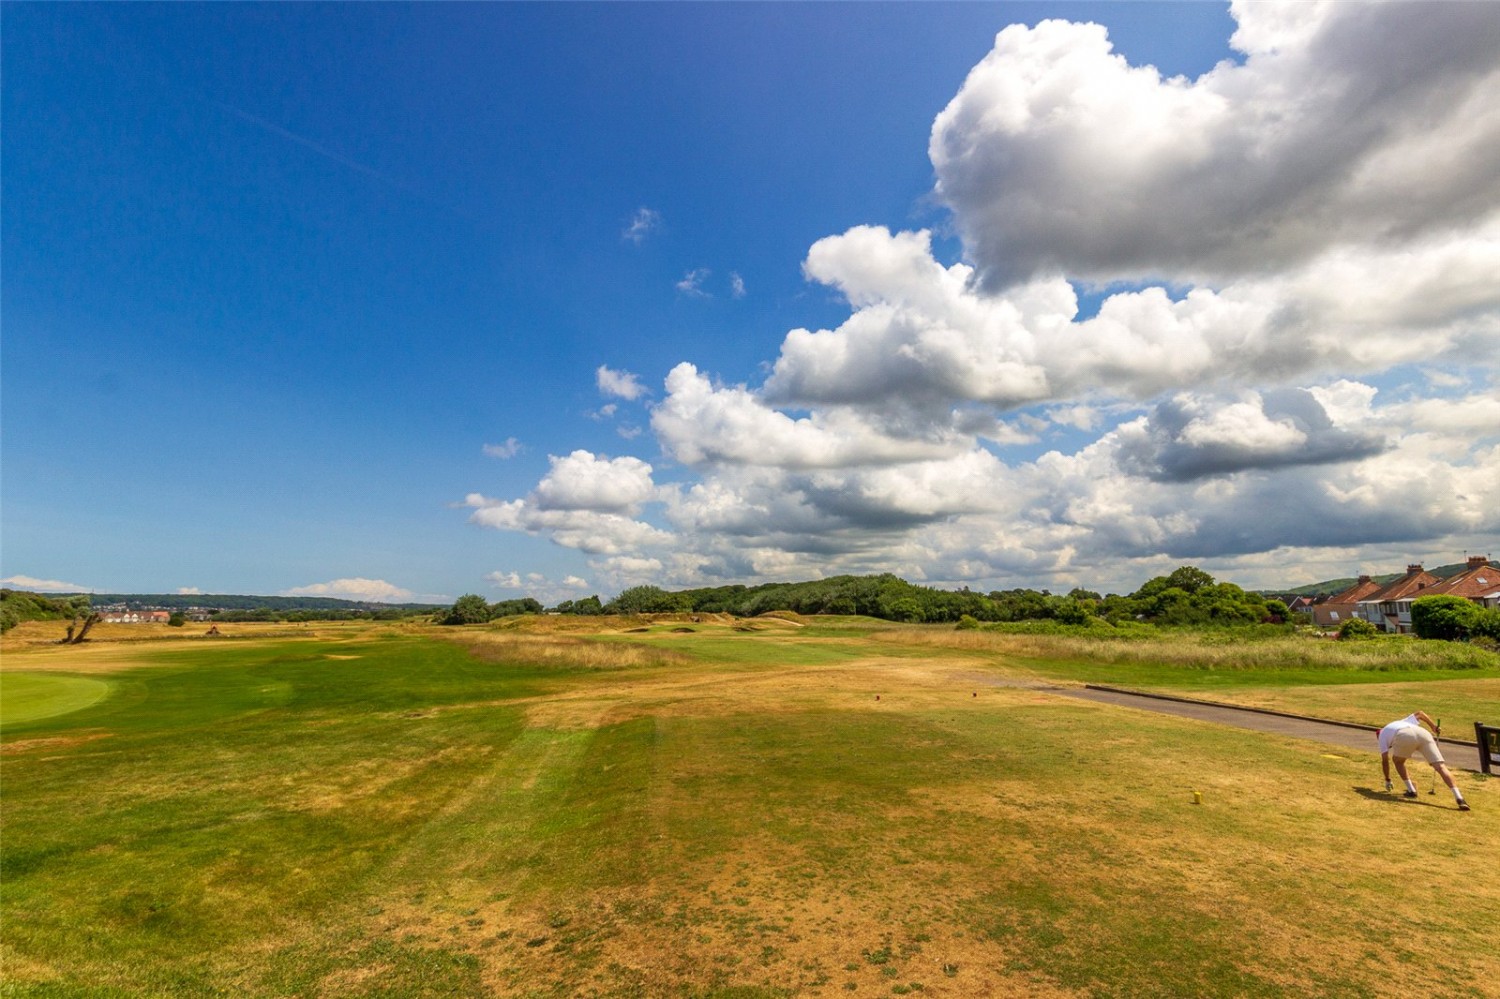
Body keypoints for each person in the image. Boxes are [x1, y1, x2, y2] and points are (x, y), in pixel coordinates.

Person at [1378, 711, 1469, 811]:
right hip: (1424, 733)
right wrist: (1433, 726)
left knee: (1398, 761)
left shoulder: (1382, 736)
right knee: (1440, 766)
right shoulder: (1401, 722)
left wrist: (1387, 779)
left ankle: (1411, 790)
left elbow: (1385, 761)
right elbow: (1420, 714)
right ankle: (1460, 798)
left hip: (1404, 735)